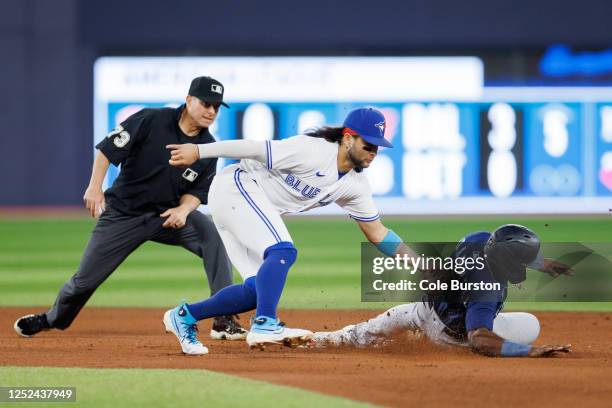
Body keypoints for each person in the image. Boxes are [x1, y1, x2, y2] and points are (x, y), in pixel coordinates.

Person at [163, 107, 425, 352]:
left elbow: (378, 233)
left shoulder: (355, 185)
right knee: (283, 251)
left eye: (377, 147)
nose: (373, 152)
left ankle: (184, 316)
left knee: (258, 289)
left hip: (245, 205)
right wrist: (199, 151)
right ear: (347, 138)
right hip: (237, 186)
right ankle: (265, 323)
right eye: (368, 144)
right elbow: (252, 148)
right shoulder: (313, 150)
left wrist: (423, 265)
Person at [14, 76, 246, 350]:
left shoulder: (206, 147)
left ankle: (223, 317)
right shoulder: (151, 120)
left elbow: (197, 192)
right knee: (84, 282)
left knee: (212, 237)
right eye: (206, 103)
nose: (211, 111)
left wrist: (184, 210)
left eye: (217, 107)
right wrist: (95, 187)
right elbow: (107, 149)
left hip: (165, 216)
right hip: (124, 215)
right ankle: (52, 319)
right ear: (188, 101)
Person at [314, 224, 574, 358]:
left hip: (422, 309)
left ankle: (319, 340)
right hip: (451, 338)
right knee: (531, 326)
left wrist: (543, 263)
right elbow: (479, 339)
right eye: (526, 260)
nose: (528, 264)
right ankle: (428, 341)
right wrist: (526, 351)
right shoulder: (487, 288)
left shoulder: (479, 240)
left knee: (360, 333)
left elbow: (503, 253)